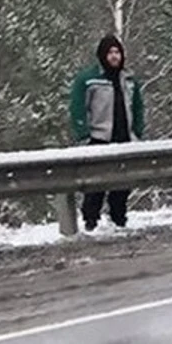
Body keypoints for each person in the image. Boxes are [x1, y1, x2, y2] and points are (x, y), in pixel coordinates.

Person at [68, 33, 146, 229]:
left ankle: (119, 219)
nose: (114, 56)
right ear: (102, 55)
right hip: (99, 139)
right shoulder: (89, 79)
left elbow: (138, 107)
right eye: (110, 52)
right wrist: (83, 133)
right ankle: (91, 221)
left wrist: (137, 130)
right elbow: (77, 107)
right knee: (96, 185)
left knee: (122, 183)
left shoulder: (128, 80)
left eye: (117, 52)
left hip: (124, 139)